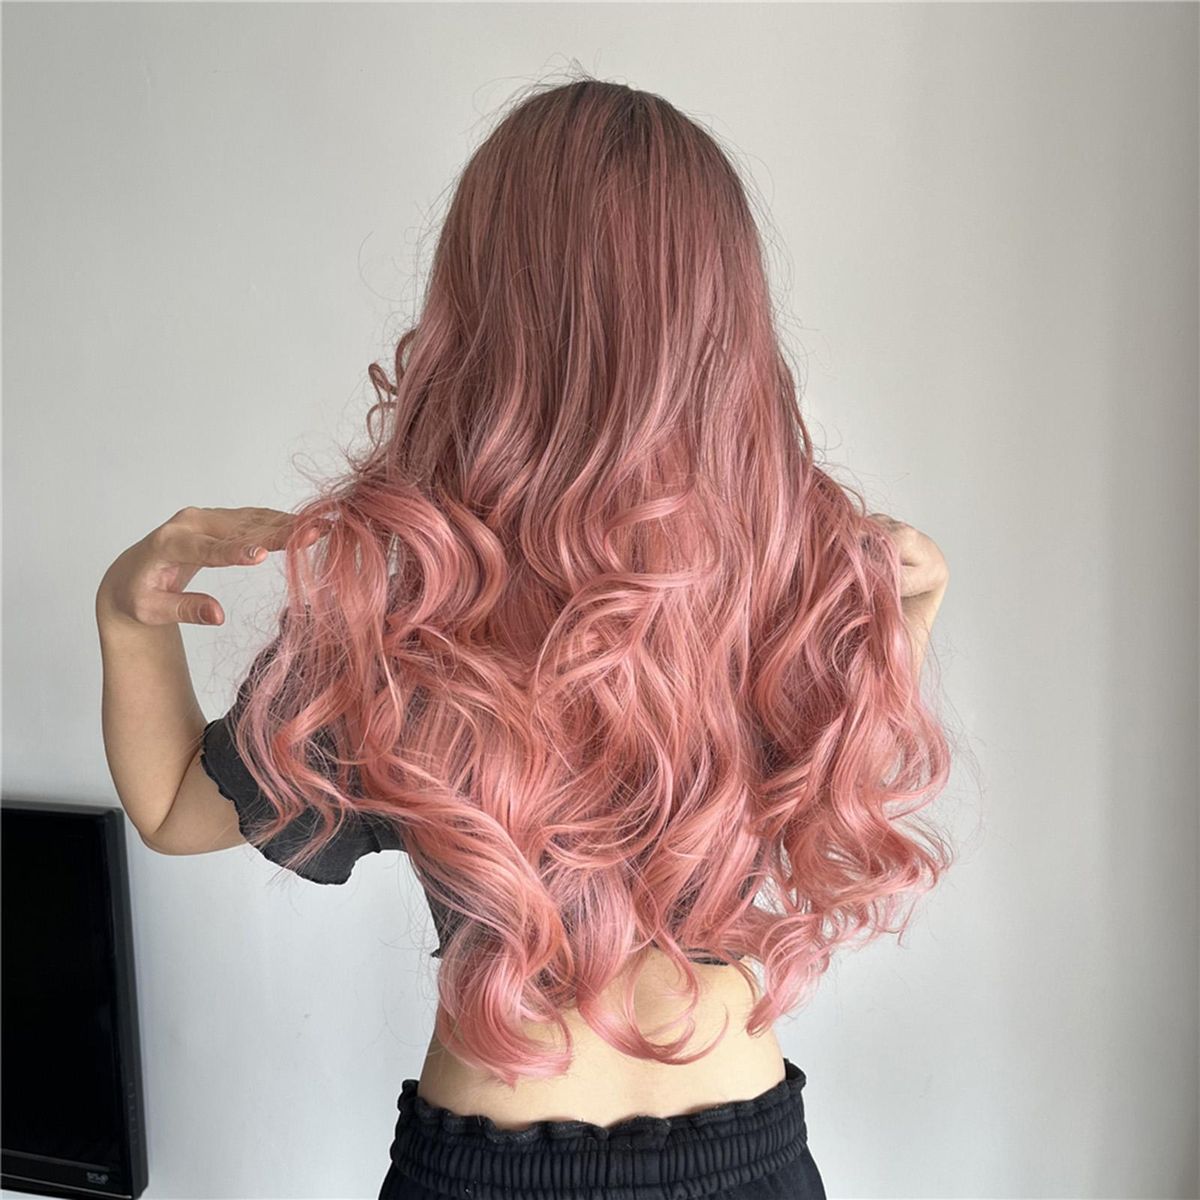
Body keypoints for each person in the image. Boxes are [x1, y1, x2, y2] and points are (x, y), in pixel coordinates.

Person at [96, 75, 952, 1200]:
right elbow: (829, 795)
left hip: (488, 1168)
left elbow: (172, 808)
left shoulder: (406, 624)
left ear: (480, 311)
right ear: (723, 322)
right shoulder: (788, 584)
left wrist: (126, 619)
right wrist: (902, 623)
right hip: (744, 1159)